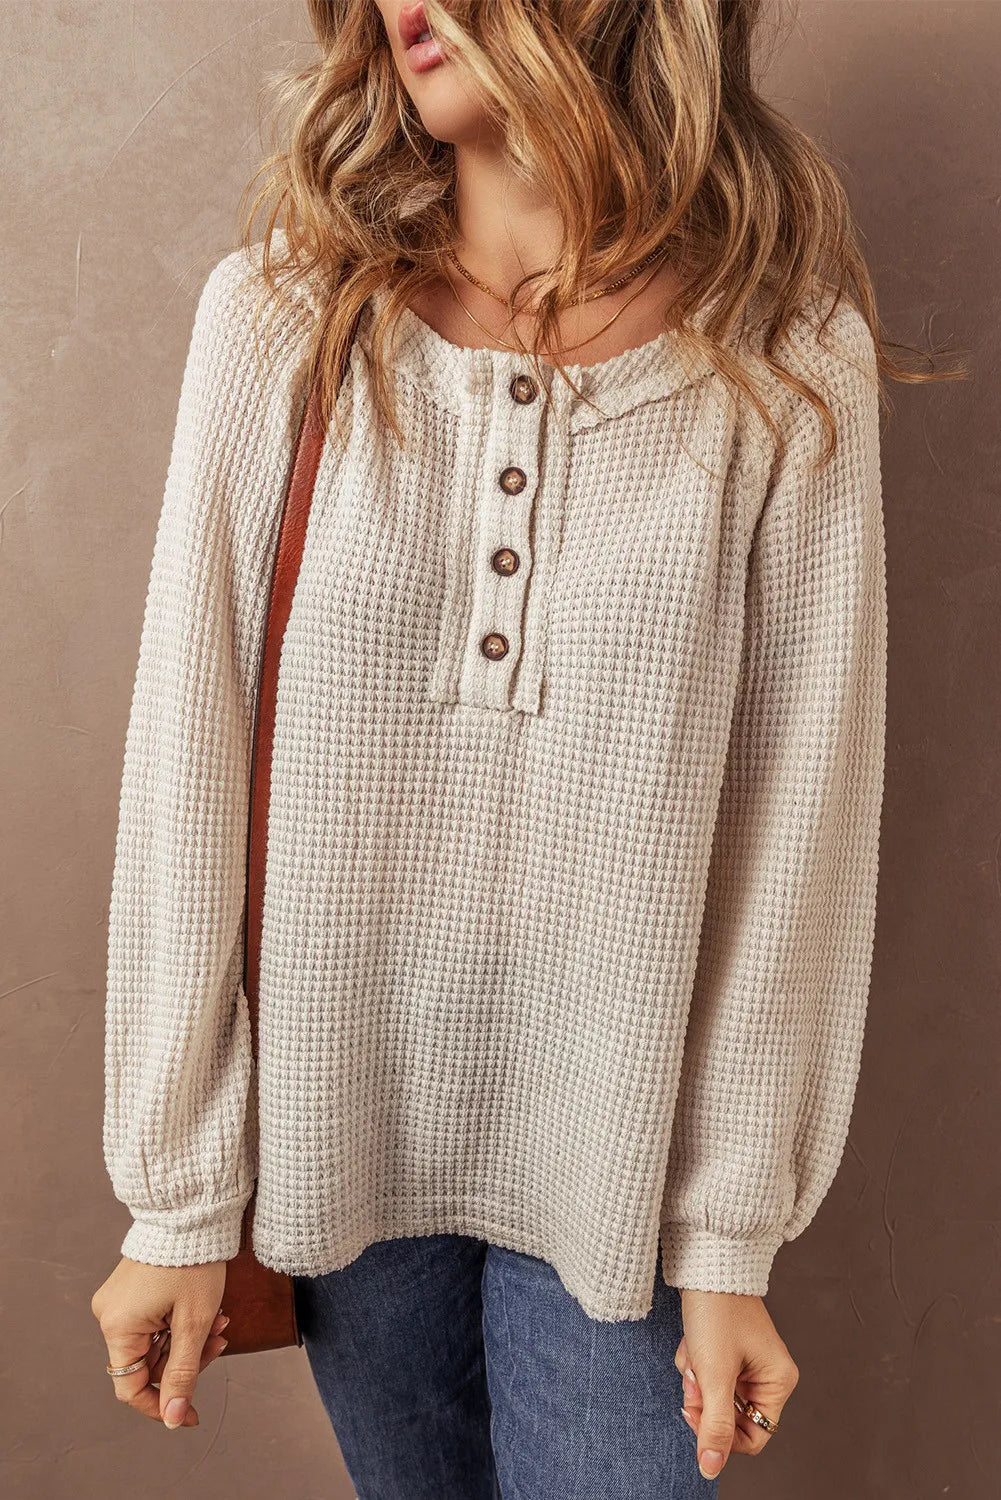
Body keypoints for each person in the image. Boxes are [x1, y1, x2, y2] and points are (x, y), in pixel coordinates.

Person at [90, 0, 952, 1493]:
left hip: (621, 1172)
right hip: (338, 1143)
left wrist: (727, 1238)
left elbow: (799, 825)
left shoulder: (777, 351)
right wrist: (176, 1200)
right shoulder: (283, 321)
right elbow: (187, 759)